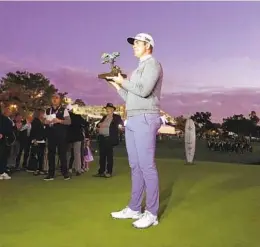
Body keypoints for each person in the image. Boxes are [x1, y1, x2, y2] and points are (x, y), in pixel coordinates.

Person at [107, 33, 163, 228]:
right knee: (135, 166)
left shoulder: (152, 64)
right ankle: (134, 208)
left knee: (146, 166)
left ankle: (152, 213)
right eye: (134, 43)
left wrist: (123, 81)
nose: (134, 46)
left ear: (148, 45)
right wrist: (116, 85)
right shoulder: (138, 68)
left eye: (138, 43)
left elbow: (144, 90)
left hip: (146, 118)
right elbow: (131, 97)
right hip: (132, 118)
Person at [44, 94, 71, 181]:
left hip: (61, 135)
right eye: (53, 98)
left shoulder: (64, 110)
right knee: (50, 154)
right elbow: (44, 120)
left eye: (56, 98)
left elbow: (68, 122)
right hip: (51, 134)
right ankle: (50, 173)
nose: (54, 99)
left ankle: (65, 173)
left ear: (60, 100)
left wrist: (59, 120)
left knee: (62, 154)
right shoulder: (48, 110)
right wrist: (46, 122)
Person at [93, 103, 123, 178]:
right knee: (102, 156)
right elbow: (98, 125)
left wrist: (118, 128)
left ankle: (109, 172)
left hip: (109, 138)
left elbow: (120, 124)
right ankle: (101, 171)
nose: (107, 110)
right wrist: (99, 125)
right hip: (102, 138)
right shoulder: (104, 117)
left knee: (109, 156)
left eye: (108, 108)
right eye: (106, 108)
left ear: (112, 109)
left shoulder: (116, 117)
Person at [66, 104, 85, 176]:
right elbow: (85, 123)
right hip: (77, 137)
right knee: (77, 154)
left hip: (68, 138)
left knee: (67, 153)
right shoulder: (77, 117)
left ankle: (68, 168)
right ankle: (78, 169)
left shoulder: (65, 117)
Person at [28, 109, 46, 176]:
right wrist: (34, 140)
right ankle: (35, 169)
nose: (43, 114)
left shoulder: (42, 121)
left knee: (41, 156)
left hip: (42, 140)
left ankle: (40, 169)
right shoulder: (35, 121)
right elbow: (33, 131)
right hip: (37, 140)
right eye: (42, 113)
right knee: (36, 156)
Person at [0, 105, 14, 180]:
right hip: (3, 141)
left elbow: (9, 130)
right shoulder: (5, 119)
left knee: (3, 156)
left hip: (4, 141)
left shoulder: (6, 120)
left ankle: (2, 172)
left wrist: (3, 134)